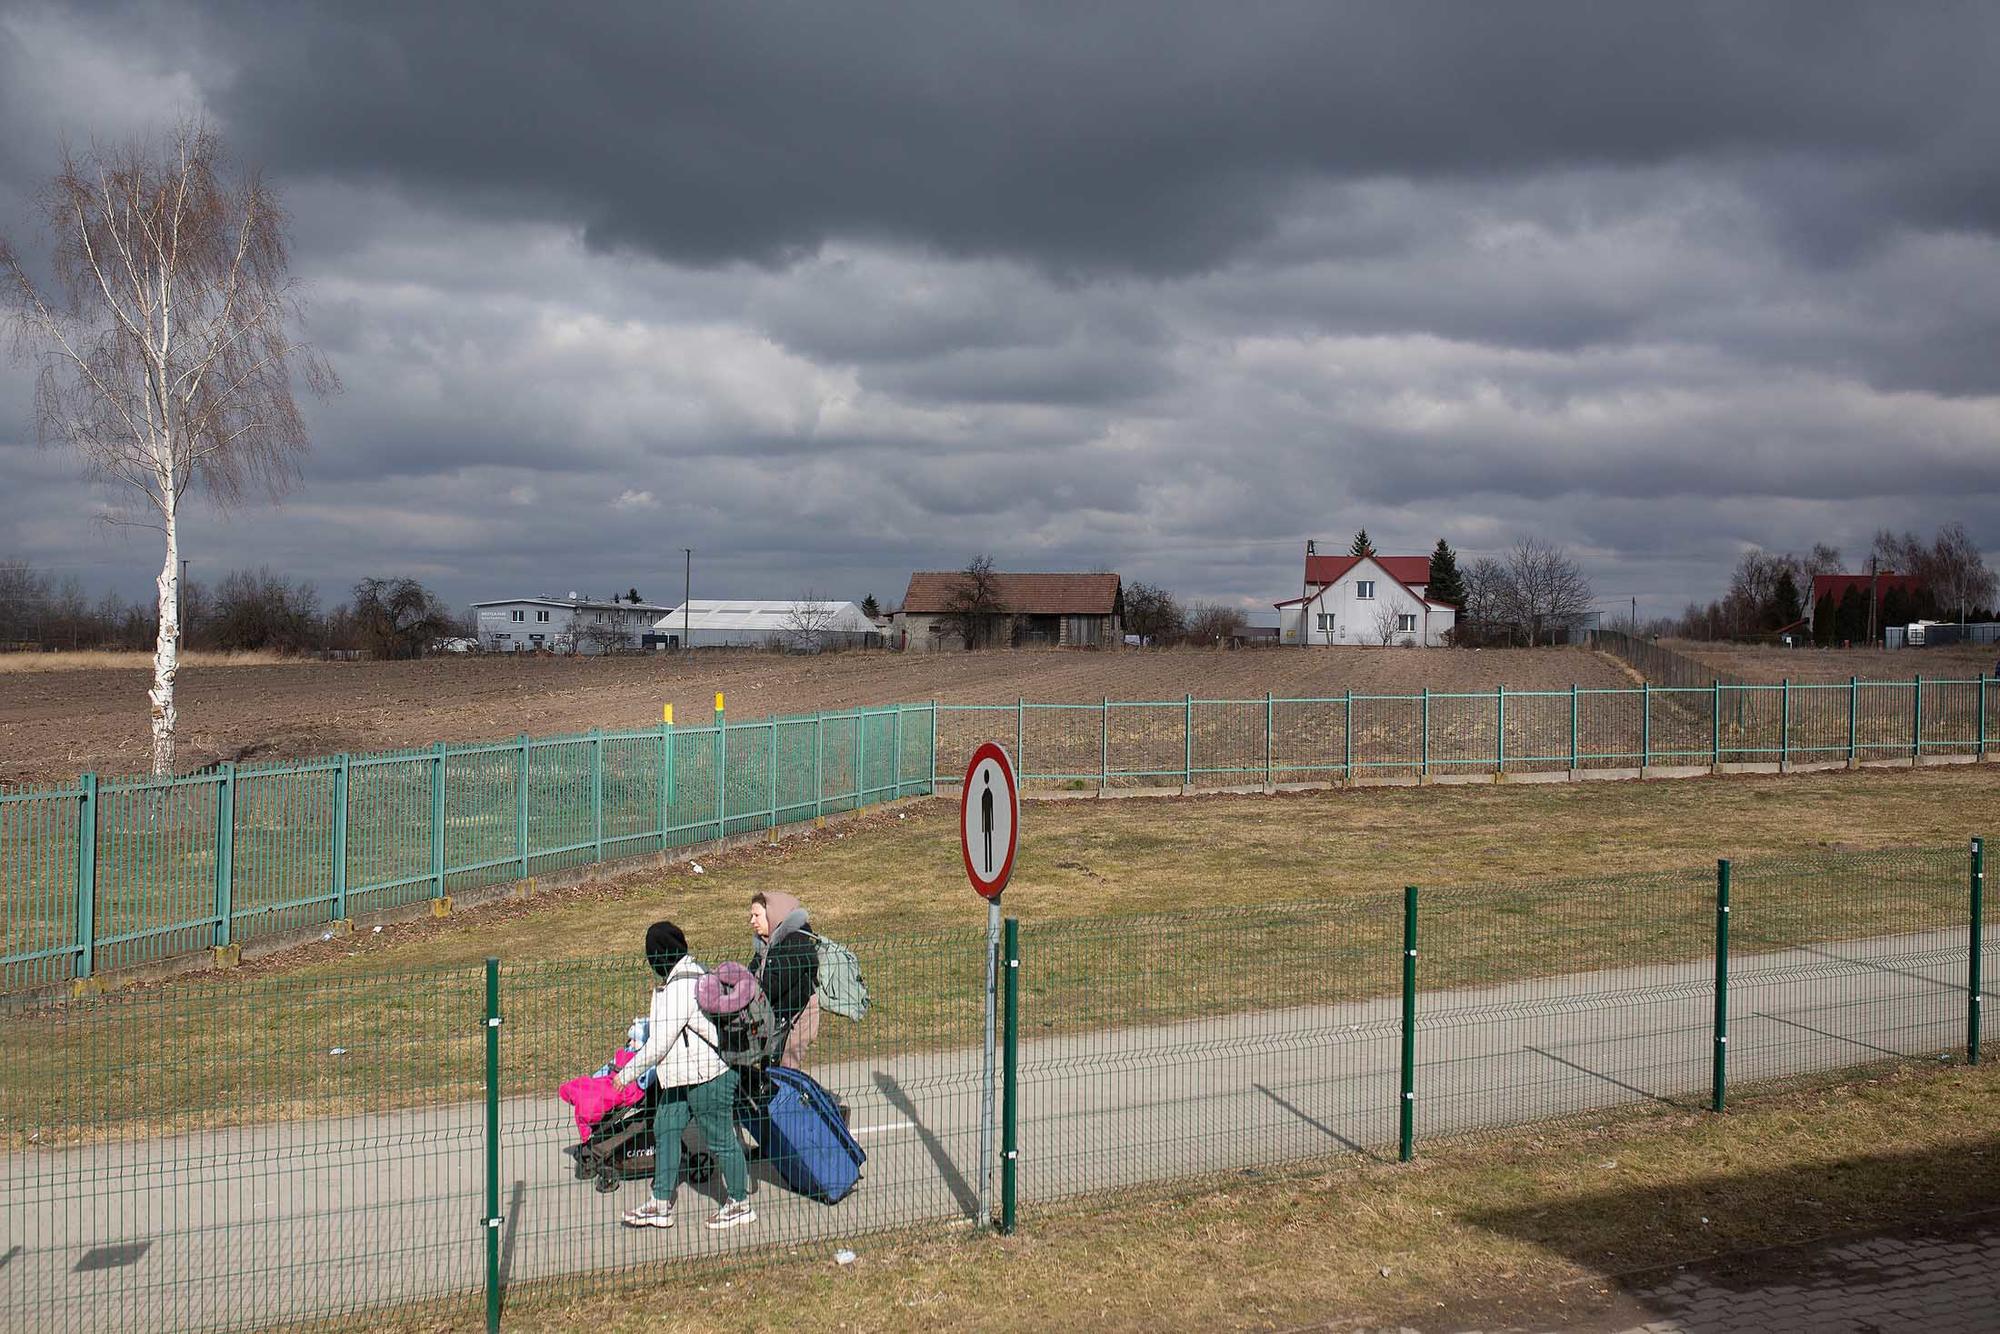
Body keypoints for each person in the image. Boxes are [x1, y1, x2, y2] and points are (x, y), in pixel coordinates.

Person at [612, 920, 756, 1231]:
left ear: (659, 955)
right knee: (665, 1128)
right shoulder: (693, 972)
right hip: (681, 1076)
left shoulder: (681, 987)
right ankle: (660, 1202)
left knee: (720, 1139)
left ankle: (740, 1203)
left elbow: (660, 1042)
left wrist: (626, 1075)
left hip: (707, 1075)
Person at [749, 891, 821, 1069]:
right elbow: (751, 975)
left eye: (757, 915)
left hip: (797, 1016)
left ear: (773, 914)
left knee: (786, 1069)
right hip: (776, 1015)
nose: (752, 921)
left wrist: (745, 994)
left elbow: (775, 984)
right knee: (770, 1068)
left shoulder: (795, 942)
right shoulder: (766, 944)